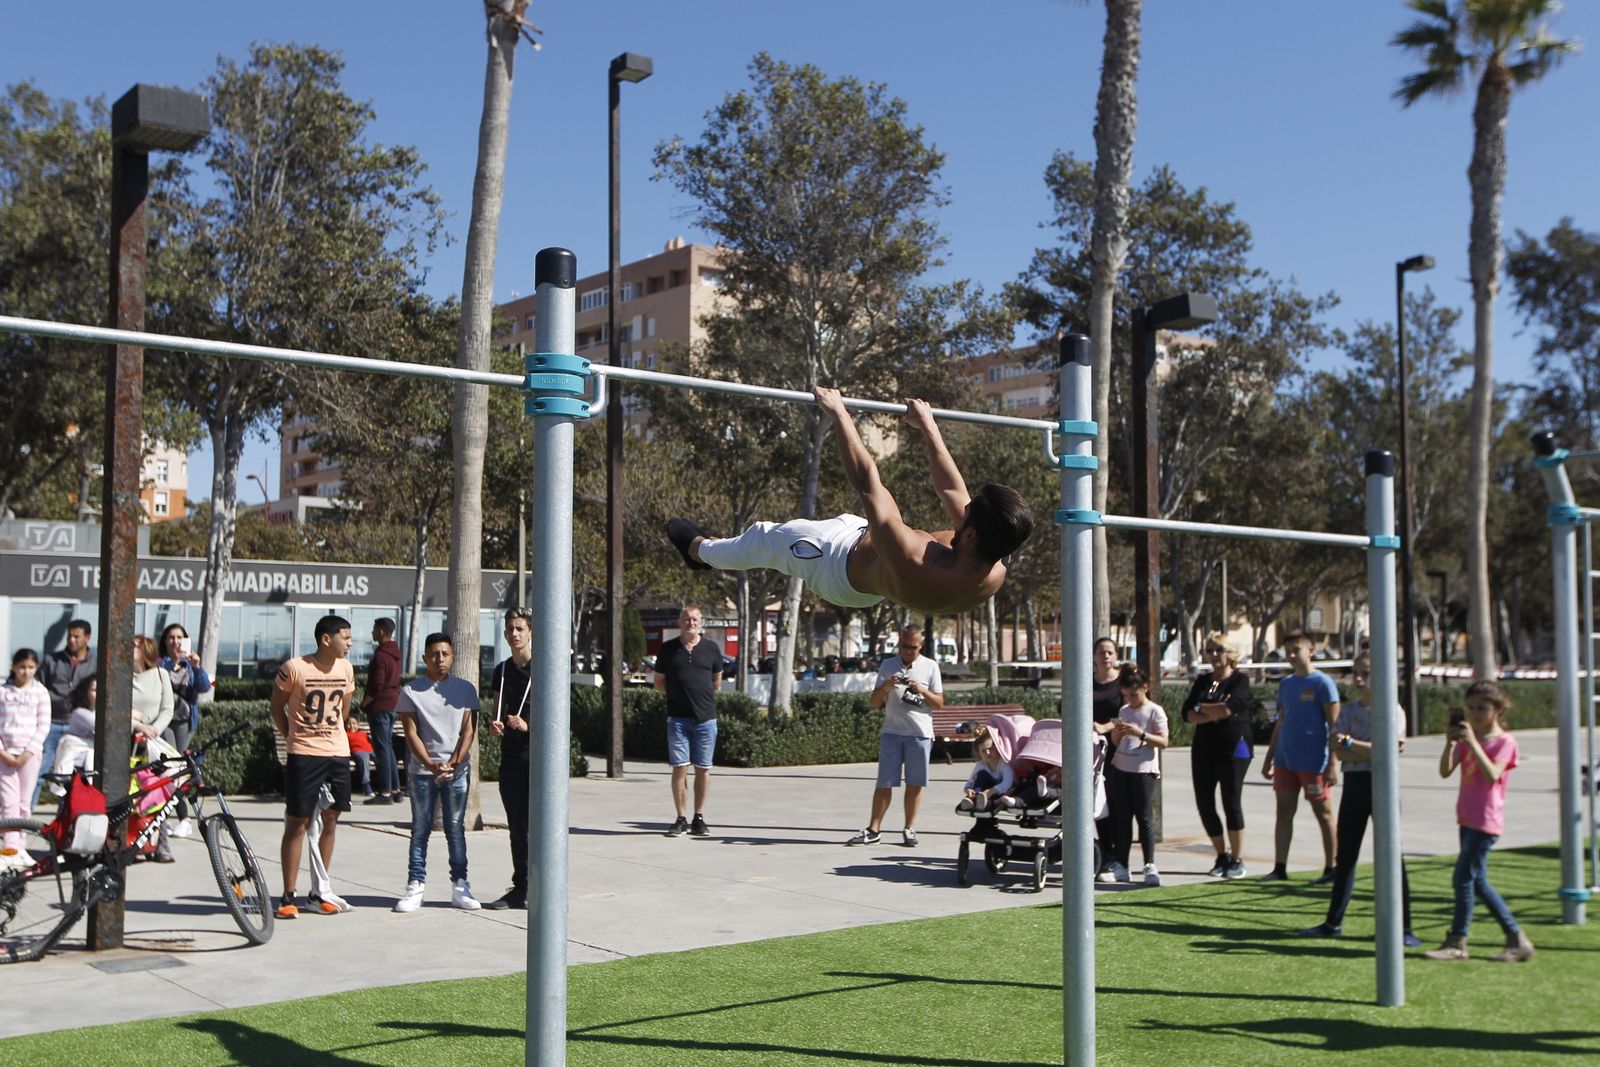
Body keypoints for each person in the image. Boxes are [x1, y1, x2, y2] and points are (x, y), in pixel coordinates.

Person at [669, 389, 1033, 615]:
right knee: (854, 525)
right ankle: (706, 550)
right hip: (870, 565)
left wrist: (839, 413)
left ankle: (700, 552)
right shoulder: (995, 557)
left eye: (967, 515)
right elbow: (952, 491)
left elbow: (867, 482)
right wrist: (928, 426)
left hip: (833, 567)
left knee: (767, 538)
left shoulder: (914, 561)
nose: (963, 508)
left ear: (969, 536)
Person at [1298, 653, 1421, 946]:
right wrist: (1362, 749)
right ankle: (1333, 922)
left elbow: (1389, 750)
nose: (1358, 678)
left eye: (1365, 672)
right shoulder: (1349, 711)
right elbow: (1338, 751)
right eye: (1355, 672)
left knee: (1392, 856)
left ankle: (1404, 928)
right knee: (1346, 857)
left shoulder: (1393, 710)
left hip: (1383, 786)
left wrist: (1354, 744)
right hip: (1354, 785)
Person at [1423, 681, 1534, 963]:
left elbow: (1492, 775)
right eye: (1471, 708)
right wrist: (1450, 743)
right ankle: (1516, 939)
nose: (1475, 714)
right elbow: (1445, 771)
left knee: (1462, 879)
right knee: (1477, 882)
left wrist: (1472, 743)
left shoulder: (1504, 742)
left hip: (1486, 821)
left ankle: (1458, 941)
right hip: (1467, 818)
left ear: (1497, 709)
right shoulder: (1471, 738)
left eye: (1482, 708)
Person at [270, 614, 357, 918]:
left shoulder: (346, 668)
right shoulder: (295, 668)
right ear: (325, 639)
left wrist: (337, 732)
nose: (349, 643)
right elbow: (276, 706)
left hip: (337, 753)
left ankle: (318, 893)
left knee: (331, 818)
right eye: (345, 637)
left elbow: (344, 708)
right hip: (304, 755)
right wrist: (293, 737)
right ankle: (287, 896)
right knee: (298, 822)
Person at [392, 633, 482, 913]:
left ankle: (460, 885)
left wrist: (454, 762)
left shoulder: (466, 689)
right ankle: (415, 884)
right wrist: (431, 765)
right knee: (420, 829)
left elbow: (469, 731)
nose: (439, 659)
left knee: (455, 829)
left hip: (456, 772)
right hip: (422, 772)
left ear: (452, 656)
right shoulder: (411, 692)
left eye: (445, 654)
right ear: (425, 658)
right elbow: (411, 733)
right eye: (434, 654)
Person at [847, 625, 944, 847]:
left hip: (919, 734)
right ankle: (873, 830)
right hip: (891, 733)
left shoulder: (930, 667)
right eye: (904, 646)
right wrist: (886, 687)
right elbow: (873, 703)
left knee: (915, 784)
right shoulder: (888, 665)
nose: (908, 651)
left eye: (913, 647)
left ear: (921, 646)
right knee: (884, 783)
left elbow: (939, 703)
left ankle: (909, 829)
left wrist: (922, 690)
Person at [1260, 631, 1339, 884]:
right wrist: (1269, 757)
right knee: (1283, 811)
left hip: (1314, 761)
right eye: (1288, 651)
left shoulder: (1323, 683)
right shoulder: (1286, 684)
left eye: (1297, 650)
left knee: (1323, 813)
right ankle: (1279, 868)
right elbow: (1281, 722)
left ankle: (1332, 868)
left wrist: (1332, 764)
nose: (1292, 656)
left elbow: (1335, 726)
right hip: (1286, 759)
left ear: (1311, 650)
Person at [1181, 633, 1255, 879]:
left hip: (1234, 747)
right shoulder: (1203, 681)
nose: (1213, 655)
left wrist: (1204, 708)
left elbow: (1230, 708)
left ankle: (1237, 858)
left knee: (1231, 801)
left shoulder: (1239, 680)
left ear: (1230, 653)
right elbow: (1188, 714)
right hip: (1204, 747)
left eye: (1219, 649)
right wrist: (1209, 709)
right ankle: (1221, 855)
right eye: (1210, 650)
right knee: (1204, 803)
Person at [655, 604, 723, 838]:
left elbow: (716, 682)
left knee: (703, 769)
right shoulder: (667, 649)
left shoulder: (712, 649)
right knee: (679, 768)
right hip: (678, 720)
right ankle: (681, 818)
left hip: (706, 720)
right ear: (679, 622)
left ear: (701, 622)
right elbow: (659, 683)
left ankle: (699, 817)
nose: (691, 623)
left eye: (695, 619)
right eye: (686, 619)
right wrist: (678, 697)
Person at [1101, 664, 1169, 887]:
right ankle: (1122, 865)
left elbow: (1164, 741)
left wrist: (1140, 733)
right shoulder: (1124, 711)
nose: (1130, 699)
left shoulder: (1155, 711)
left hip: (1144, 770)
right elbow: (1116, 741)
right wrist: (1117, 734)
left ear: (1145, 688)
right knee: (1122, 817)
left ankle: (1149, 864)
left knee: (1144, 816)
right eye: (1126, 695)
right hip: (1122, 766)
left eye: (1134, 694)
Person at [484, 607, 534, 910]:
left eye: (520, 629)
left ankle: (537, 885)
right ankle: (520, 886)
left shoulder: (543, 668)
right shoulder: (502, 670)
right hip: (511, 756)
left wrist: (529, 725)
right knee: (516, 825)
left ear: (530, 633)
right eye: (510, 630)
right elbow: (497, 707)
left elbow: (558, 716)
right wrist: (495, 723)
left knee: (534, 825)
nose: (514, 634)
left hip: (535, 757)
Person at [34, 619, 95, 808]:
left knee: (72, 774)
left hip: (78, 727)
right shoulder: (52, 660)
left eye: (77, 636)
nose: (71, 640)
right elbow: (38, 686)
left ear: (87, 638)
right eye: (69, 635)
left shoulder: (95, 663)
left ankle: (66, 812)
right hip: (51, 722)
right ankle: (25, 814)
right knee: (40, 770)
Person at [159, 623, 211, 838]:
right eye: (171, 637)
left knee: (175, 767)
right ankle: (171, 818)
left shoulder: (191, 665)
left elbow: (204, 687)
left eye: (180, 637)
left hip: (184, 721)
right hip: (163, 720)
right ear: (165, 641)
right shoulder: (160, 664)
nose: (176, 641)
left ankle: (183, 819)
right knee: (169, 768)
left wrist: (197, 667)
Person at [132, 635, 177, 864]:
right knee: (131, 793)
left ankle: (162, 844)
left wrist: (154, 729)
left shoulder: (161, 675)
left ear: (146, 651)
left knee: (162, 792)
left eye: (134, 647)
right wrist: (139, 727)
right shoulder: (121, 677)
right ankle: (132, 842)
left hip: (155, 742)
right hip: (129, 741)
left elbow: (168, 709)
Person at [1, 649, 52, 854]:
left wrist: (27, 753)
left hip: (29, 755)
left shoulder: (40, 692)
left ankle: (20, 846)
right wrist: (4, 753)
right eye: (22, 667)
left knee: (24, 802)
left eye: (31, 667)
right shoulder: (3, 692)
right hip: (5, 754)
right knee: (8, 802)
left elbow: (43, 725)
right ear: (14, 667)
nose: (26, 672)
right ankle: (11, 846)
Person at [1089, 637, 1123, 878]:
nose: (1106, 656)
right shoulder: (1086, 682)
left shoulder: (1123, 682)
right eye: (1101, 652)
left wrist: (1106, 726)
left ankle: (1117, 856)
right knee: (1098, 802)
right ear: (1093, 657)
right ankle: (1105, 853)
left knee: (1117, 804)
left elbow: (1132, 711)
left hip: (1118, 750)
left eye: (1110, 652)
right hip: (1091, 752)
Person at [360, 618, 403, 805]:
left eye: (374, 629)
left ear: (382, 631)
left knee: (382, 748)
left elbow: (376, 685)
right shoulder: (395, 654)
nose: (372, 633)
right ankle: (395, 789)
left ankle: (385, 792)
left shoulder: (381, 656)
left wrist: (364, 703)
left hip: (380, 706)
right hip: (392, 704)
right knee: (388, 747)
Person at [954, 727, 1013, 813]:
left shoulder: (1004, 763)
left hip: (1001, 792)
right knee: (981, 774)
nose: (987, 753)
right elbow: (971, 780)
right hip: (983, 793)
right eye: (983, 751)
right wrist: (968, 789)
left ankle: (979, 801)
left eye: (990, 749)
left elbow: (1008, 782)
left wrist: (992, 791)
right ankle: (972, 799)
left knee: (990, 799)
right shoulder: (981, 764)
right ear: (979, 753)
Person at [346, 715, 374, 796]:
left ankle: (385, 784)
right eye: (349, 724)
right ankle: (366, 785)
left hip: (370, 750)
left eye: (354, 723)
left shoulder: (363, 733)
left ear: (358, 725)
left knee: (382, 760)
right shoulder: (346, 734)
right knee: (364, 761)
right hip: (358, 751)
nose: (352, 726)